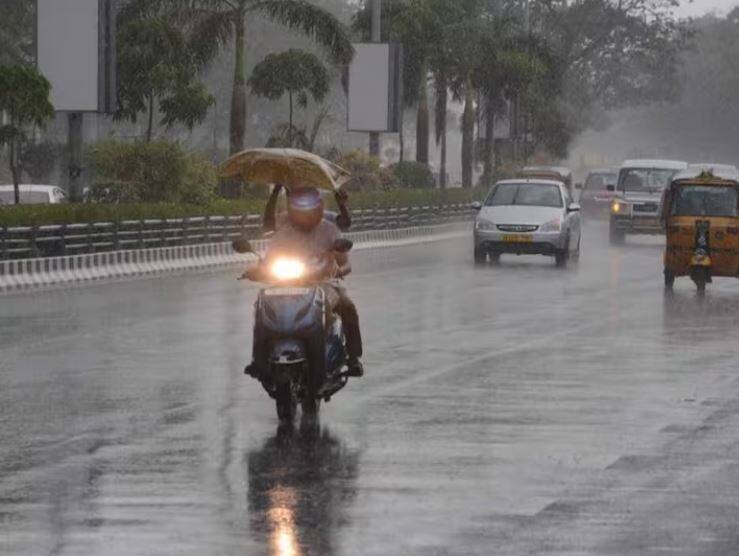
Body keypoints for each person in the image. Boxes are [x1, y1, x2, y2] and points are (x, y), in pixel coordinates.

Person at [245, 186, 364, 379]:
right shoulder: (283, 228)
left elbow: (345, 262)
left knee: (348, 306)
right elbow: (268, 256)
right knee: (261, 305)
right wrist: (257, 270)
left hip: (322, 282)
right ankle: (258, 360)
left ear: (319, 208)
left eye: (309, 206)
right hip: (285, 284)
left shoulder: (329, 228)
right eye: (299, 207)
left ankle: (353, 357)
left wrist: (339, 270)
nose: (305, 212)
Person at [263, 184, 352, 232]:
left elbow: (345, 223)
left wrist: (341, 205)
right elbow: (269, 224)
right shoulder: (288, 219)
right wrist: (275, 192)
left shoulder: (324, 218)